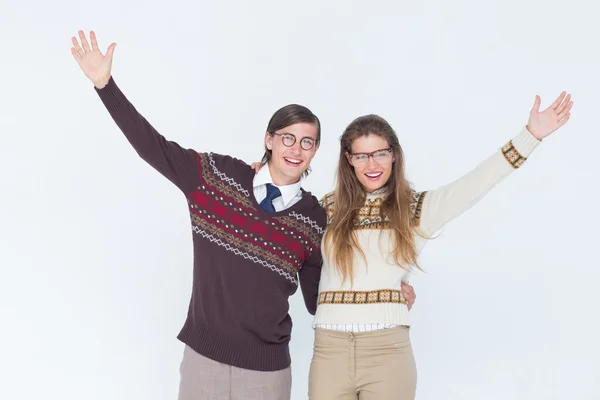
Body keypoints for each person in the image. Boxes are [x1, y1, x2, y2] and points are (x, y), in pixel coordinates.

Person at [69, 30, 417, 399]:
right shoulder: (215, 177)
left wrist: (385, 290)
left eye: (307, 142)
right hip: (204, 360)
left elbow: (320, 299)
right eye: (287, 137)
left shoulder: (315, 218)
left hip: (268, 373)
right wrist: (105, 85)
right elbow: (152, 147)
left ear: (315, 152)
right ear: (269, 139)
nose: (296, 149)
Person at [251, 91, 572, 399]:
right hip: (329, 352)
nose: (371, 164)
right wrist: (257, 180)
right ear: (348, 159)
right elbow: (280, 234)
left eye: (380, 153)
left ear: (394, 155)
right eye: (361, 155)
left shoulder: (416, 210)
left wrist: (531, 135)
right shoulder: (326, 209)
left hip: (387, 353)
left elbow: (475, 183)